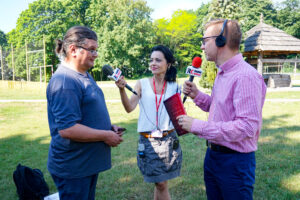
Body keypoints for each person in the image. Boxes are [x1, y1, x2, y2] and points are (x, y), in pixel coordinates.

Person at [177, 19, 267, 200]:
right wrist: (197, 95)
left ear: (220, 40)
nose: (202, 47)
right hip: (213, 157)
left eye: (205, 41)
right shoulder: (223, 73)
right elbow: (220, 108)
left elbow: (246, 127)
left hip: (235, 163)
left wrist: (198, 126)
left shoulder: (245, 76)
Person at [46, 26, 123, 200]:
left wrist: (108, 127)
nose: (96, 54)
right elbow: (68, 129)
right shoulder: (65, 81)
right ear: (73, 50)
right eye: (91, 50)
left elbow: (85, 114)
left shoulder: (84, 74)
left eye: (96, 50)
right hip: (74, 168)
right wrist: (105, 135)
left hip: (85, 165)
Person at [115, 45, 182, 200]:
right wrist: (121, 90)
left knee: (161, 183)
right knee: (160, 184)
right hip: (149, 141)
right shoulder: (142, 84)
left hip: (169, 140)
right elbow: (129, 107)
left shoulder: (175, 86)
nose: (153, 63)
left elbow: (178, 114)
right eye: (151, 60)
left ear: (168, 64)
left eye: (158, 60)